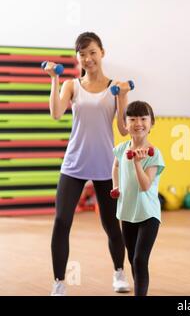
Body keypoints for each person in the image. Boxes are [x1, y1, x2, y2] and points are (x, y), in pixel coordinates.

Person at [44, 32, 132, 296]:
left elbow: (123, 129)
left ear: (102, 52)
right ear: (77, 57)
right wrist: (54, 79)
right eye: (82, 54)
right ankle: (59, 282)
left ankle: (119, 273)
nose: (88, 58)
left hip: (106, 164)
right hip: (74, 163)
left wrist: (123, 96)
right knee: (61, 221)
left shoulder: (115, 86)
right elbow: (56, 113)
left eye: (92, 52)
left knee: (110, 224)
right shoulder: (71, 85)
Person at [112, 100, 165, 296]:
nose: (138, 123)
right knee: (132, 256)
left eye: (143, 119)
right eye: (132, 119)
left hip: (148, 214)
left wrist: (136, 162)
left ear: (151, 123)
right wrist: (115, 186)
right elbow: (116, 166)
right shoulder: (121, 148)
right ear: (125, 124)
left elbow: (145, 185)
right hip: (127, 211)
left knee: (140, 259)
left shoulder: (154, 154)